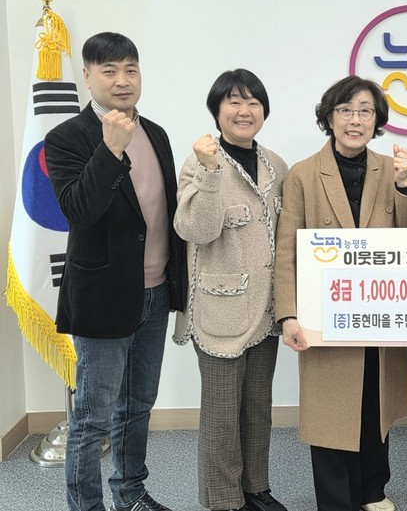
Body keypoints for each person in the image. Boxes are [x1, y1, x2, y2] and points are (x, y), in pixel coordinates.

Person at [44, 32, 187, 511]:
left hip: (156, 293)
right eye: (109, 71)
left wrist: (180, 291)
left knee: (138, 406)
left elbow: (167, 215)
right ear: (87, 77)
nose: (122, 80)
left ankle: (129, 493)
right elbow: (78, 212)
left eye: (130, 69)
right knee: (92, 419)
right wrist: (110, 152)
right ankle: (86, 506)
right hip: (103, 297)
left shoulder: (157, 134)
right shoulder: (66, 138)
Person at [273, 75, 407, 511]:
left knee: (374, 406)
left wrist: (404, 186)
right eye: (345, 110)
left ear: (377, 120)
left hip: (378, 314)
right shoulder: (303, 174)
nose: (355, 120)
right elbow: (287, 250)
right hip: (324, 316)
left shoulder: (390, 169)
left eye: (365, 111)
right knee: (330, 413)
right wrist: (288, 314)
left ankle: (373, 492)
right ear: (329, 117)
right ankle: (337, 501)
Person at [173, 69, 288, 511]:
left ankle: (256, 488)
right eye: (234, 102)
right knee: (222, 415)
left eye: (253, 102)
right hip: (219, 308)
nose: (244, 110)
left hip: (266, 309)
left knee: (258, 407)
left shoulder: (275, 164)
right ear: (217, 110)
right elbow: (197, 230)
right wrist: (209, 172)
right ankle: (224, 500)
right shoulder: (198, 162)